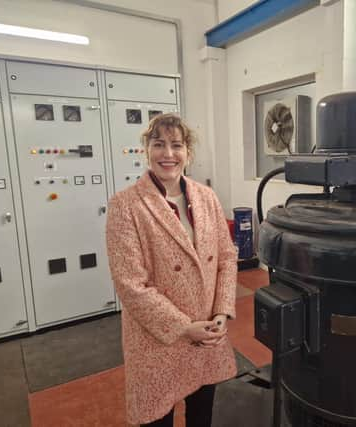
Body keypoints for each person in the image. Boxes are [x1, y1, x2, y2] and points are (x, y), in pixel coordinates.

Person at [106, 113, 238, 427]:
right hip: (157, 340)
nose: (168, 154)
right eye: (159, 144)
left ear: (187, 153)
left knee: (201, 415)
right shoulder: (125, 205)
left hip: (205, 334)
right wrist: (183, 327)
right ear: (146, 150)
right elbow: (130, 284)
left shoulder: (206, 198)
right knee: (156, 418)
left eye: (176, 145)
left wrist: (221, 312)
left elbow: (226, 258)